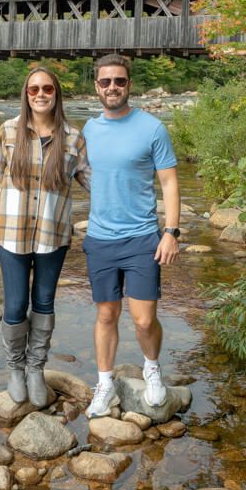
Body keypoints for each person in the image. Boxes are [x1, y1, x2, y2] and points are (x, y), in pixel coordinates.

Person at [0, 67, 90, 408]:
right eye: (33, 89)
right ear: (26, 95)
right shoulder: (8, 131)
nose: (40, 94)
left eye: (47, 89)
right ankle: (15, 368)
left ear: (57, 94)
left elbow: (92, 179)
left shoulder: (73, 137)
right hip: (10, 233)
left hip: (52, 235)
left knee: (43, 302)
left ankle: (36, 369)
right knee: (14, 305)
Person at [81, 53, 181, 418]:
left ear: (129, 85)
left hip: (141, 238)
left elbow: (169, 183)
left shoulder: (152, 128)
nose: (112, 87)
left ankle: (152, 369)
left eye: (119, 81)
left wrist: (170, 232)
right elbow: (77, 172)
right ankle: (105, 383)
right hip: (100, 238)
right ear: (96, 87)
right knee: (106, 316)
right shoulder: (88, 130)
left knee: (143, 320)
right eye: (105, 82)